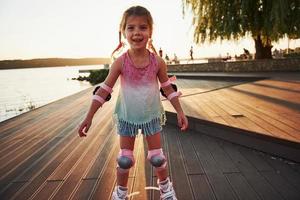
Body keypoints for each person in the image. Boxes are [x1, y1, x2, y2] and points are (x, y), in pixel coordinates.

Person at [78, 5, 188, 200]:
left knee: (157, 157)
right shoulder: (120, 62)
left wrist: (180, 112)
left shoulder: (158, 62)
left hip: (151, 116)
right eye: (131, 28)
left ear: (150, 32)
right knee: (125, 160)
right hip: (127, 116)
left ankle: (166, 190)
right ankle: (120, 193)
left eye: (143, 27)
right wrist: (89, 117)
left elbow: (167, 88)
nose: (137, 32)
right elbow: (104, 90)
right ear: (123, 32)